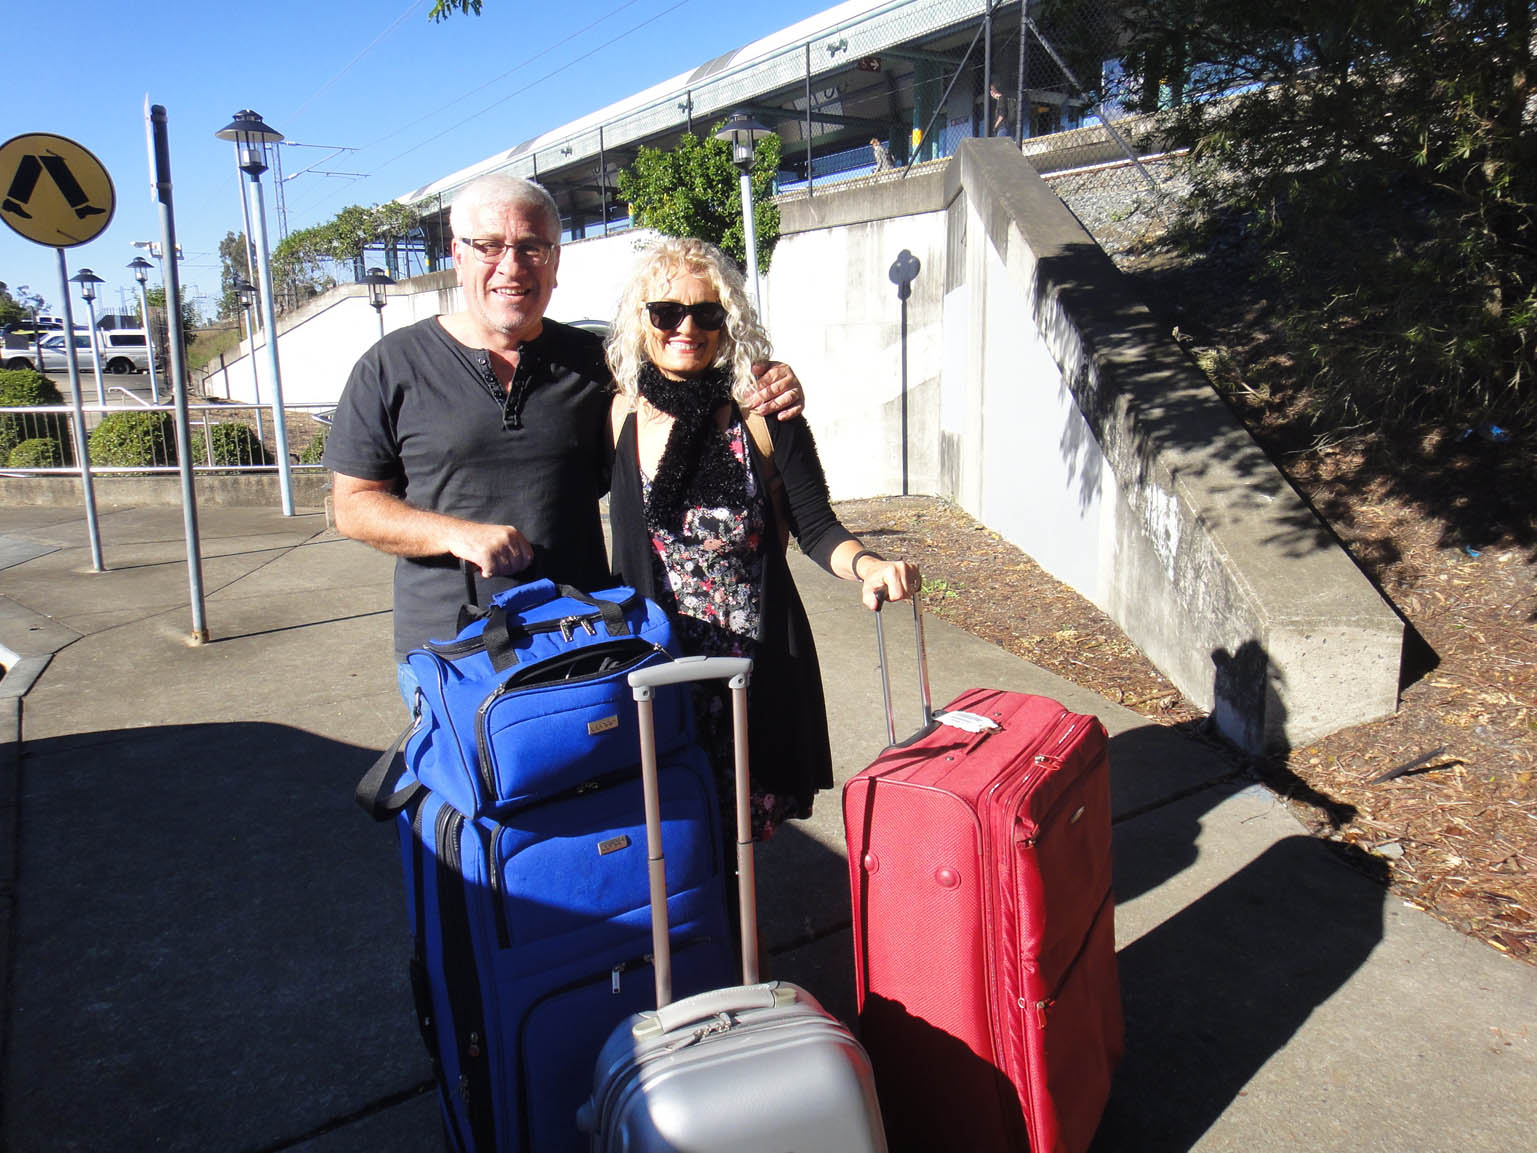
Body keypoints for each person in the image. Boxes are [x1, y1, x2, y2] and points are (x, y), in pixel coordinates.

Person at [322, 174, 804, 693]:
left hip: (583, 638)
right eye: (489, 246)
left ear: (554, 263)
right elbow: (353, 506)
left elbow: (691, 376)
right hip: (453, 655)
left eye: (531, 248)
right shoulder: (391, 365)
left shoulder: (599, 365)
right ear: (457, 255)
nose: (511, 267)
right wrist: (456, 535)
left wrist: (767, 378)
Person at [605, 237, 919, 841]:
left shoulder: (764, 413)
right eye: (667, 312)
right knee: (669, 840)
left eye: (706, 312)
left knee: (742, 845)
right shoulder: (618, 414)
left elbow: (816, 525)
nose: (686, 328)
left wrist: (870, 566)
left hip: (750, 672)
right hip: (657, 668)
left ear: (727, 321)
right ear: (642, 321)